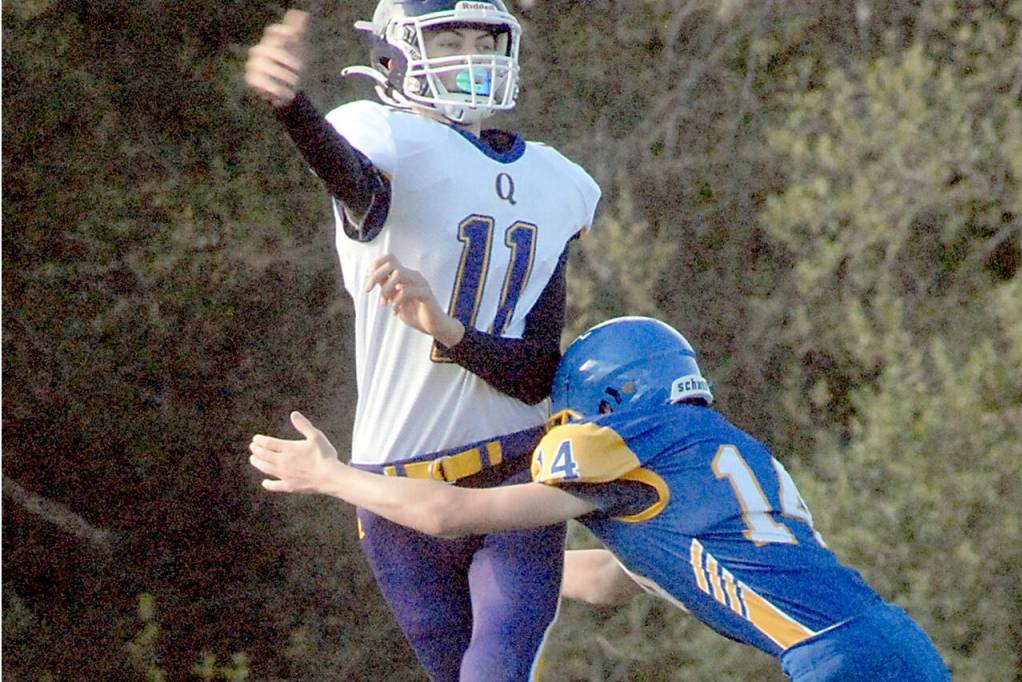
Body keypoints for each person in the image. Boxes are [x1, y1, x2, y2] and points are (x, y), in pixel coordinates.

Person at [250, 317, 952, 681]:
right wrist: (493, 571)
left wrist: (333, 477)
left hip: (839, 662)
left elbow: (448, 512)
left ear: (609, 397)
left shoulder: (624, 443)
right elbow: (616, 579)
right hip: (886, 643)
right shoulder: (709, 449)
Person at [244, 2, 601, 681]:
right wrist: (292, 108)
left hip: (515, 467)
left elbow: (534, 373)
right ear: (391, 56)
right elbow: (350, 178)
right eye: (448, 39)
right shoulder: (382, 136)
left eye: (483, 40)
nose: (471, 56)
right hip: (396, 490)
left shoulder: (555, 180)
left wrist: (451, 334)